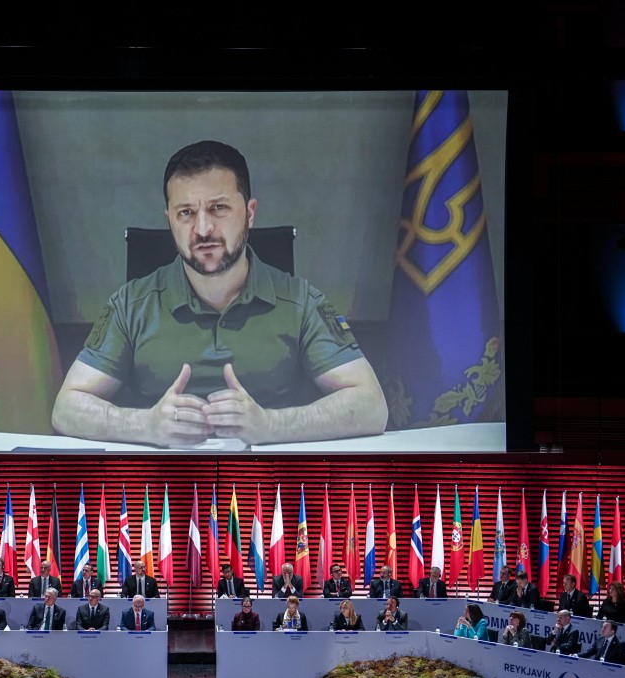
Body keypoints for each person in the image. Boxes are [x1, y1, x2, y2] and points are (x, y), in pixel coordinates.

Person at [51, 140, 388, 448]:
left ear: (250, 213)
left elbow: (371, 406)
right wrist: (146, 425)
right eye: (186, 213)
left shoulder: (301, 302)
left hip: (271, 495)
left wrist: (271, 425)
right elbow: (66, 409)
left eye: (219, 208)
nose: (202, 229)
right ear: (170, 220)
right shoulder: (131, 305)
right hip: (161, 494)